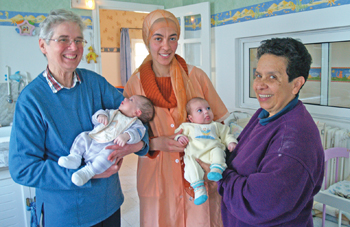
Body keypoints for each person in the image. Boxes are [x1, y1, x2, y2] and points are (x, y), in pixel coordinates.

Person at [8, 9, 149, 227]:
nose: (73, 47)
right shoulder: (32, 100)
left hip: (109, 204)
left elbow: (136, 117)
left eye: (78, 40)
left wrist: (134, 145)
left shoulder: (95, 83)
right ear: (43, 45)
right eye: (63, 40)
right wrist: (90, 174)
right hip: (65, 214)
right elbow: (23, 169)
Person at [106, 9, 229, 227]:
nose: (166, 46)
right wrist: (156, 143)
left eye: (172, 38)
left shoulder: (196, 76)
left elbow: (219, 122)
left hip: (199, 173)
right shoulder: (135, 84)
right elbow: (124, 131)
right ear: (147, 40)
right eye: (158, 38)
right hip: (157, 176)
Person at [198, 37, 324, 226]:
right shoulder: (265, 113)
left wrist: (220, 173)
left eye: (272, 77)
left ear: (296, 84)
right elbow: (239, 154)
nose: (259, 85)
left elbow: (257, 203)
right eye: (258, 75)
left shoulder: (294, 140)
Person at [58, 95, 154, 186]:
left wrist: (126, 136)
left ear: (137, 112)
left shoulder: (136, 124)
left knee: (109, 156)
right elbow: (99, 114)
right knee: (83, 136)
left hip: (106, 148)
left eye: (131, 100)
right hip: (94, 139)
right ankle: (75, 157)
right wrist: (100, 116)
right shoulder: (113, 112)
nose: (125, 99)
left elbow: (138, 134)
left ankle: (88, 172)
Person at [174, 97, 237, 205]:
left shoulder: (216, 126)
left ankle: (217, 169)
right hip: (195, 155)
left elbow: (227, 135)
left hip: (212, 152)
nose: (206, 111)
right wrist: (179, 137)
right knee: (190, 166)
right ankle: (199, 189)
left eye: (208, 108)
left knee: (218, 151)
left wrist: (231, 142)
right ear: (191, 118)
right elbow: (177, 133)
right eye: (200, 110)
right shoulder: (188, 126)